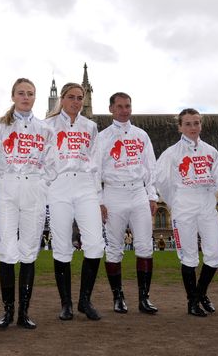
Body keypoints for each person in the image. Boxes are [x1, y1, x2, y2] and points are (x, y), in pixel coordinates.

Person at [0, 78, 55, 329]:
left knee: (28, 250)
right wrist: (1, 183)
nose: (26, 97)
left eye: (30, 94)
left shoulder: (45, 129)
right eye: (21, 93)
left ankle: (24, 312)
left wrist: (40, 184)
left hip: (34, 189)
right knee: (6, 250)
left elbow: (52, 163)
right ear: (13, 96)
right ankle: (8, 311)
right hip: (7, 188)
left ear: (35, 98)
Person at [155, 109, 218, 317]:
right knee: (189, 256)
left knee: (215, 253)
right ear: (180, 127)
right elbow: (162, 181)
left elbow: (216, 178)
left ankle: (200, 294)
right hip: (183, 203)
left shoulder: (211, 151)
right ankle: (191, 302)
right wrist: (175, 201)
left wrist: (205, 197)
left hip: (205, 202)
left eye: (196, 123)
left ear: (201, 125)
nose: (193, 127)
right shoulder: (171, 153)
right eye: (188, 124)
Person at [45, 82, 104, 321]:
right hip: (58, 185)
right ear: (62, 99)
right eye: (71, 97)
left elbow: (96, 161)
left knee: (95, 244)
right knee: (61, 246)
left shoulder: (90, 127)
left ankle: (84, 301)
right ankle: (66, 303)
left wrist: (98, 196)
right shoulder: (47, 125)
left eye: (80, 98)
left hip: (84, 185)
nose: (76, 102)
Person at [97, 92, 159, 314]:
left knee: (145, 246)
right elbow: (96, 171)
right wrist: (100, 201)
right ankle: (118, 297)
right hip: (114, 193)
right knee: (114, 248)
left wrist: (152, 195)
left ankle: (144, 298)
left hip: (138, 193)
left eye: (128, 106)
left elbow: (151, 166)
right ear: (111, 109)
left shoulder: (141, 135)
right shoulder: (102, 137)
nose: (125, 110)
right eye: (120, 106)